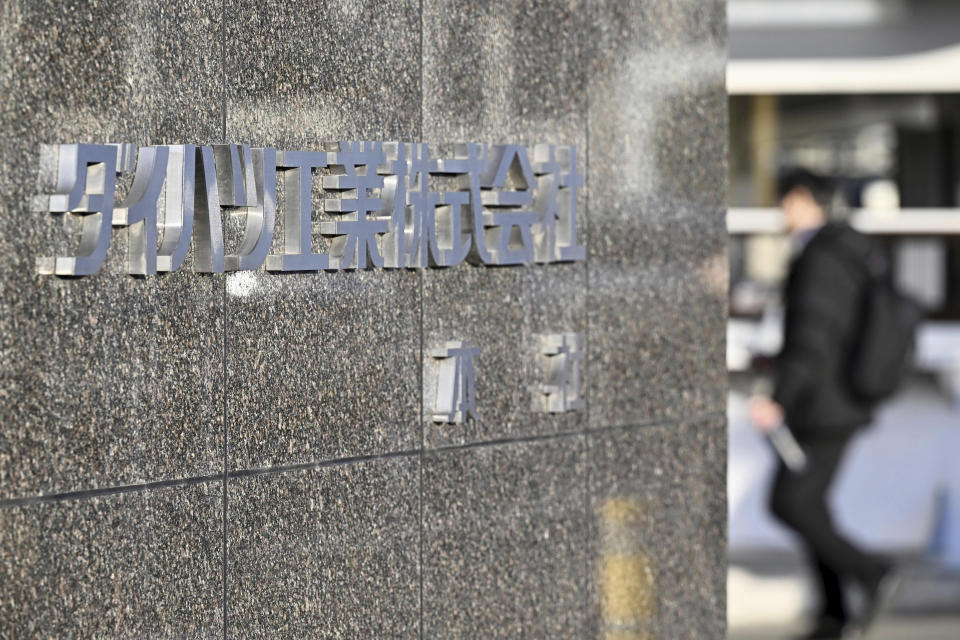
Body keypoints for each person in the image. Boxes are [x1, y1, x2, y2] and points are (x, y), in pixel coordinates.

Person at [750, 169, 896, 639]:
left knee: (791, 502)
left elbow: (812, 338)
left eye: (783, 202)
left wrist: (780, 399)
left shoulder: (821, 257)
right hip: (834, 402)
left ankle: (871, 571)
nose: (779, 214)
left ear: (801, 199)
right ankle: (833, 615)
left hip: (824, 407)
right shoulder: (843, 252)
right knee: (810, 505)